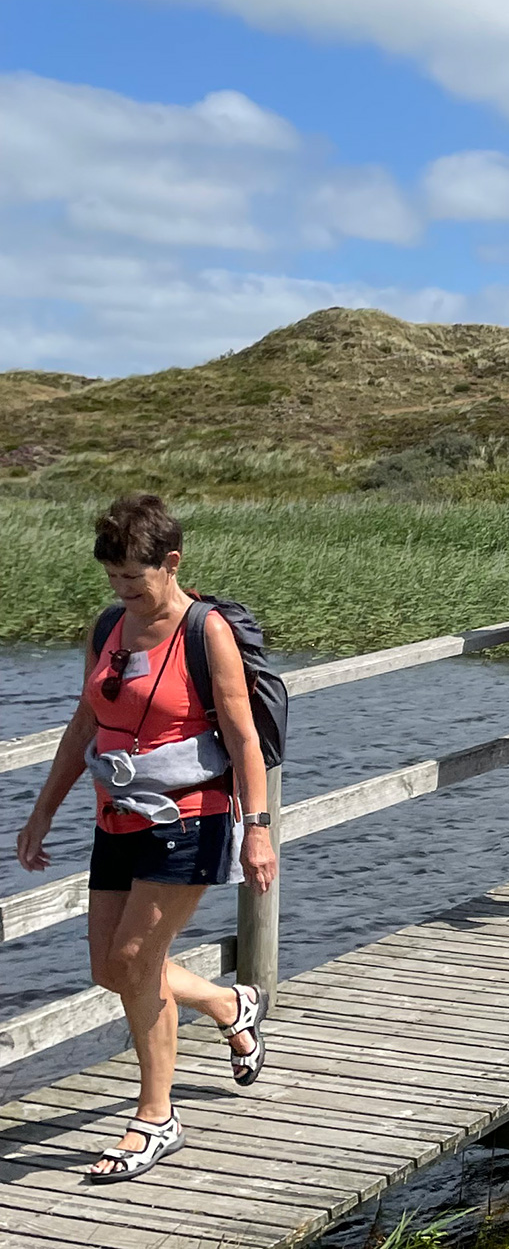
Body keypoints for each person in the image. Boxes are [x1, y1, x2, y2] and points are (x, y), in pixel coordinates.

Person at [14, 494, 276, 1182]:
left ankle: (155, 1116)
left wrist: (259, 829)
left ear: (172, 563)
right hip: (116, 819)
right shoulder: (109, 626)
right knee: (111, 968)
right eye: (113, 579)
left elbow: (244, 735)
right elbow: (84, 725)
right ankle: (230, 1002)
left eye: (135, 577)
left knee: (136, 957)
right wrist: (43, 811)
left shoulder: (204, 629)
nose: (123, 591)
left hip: (191, 817)